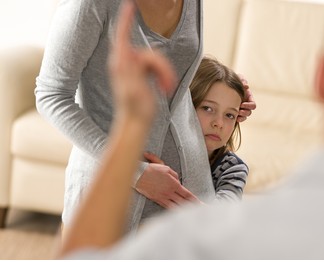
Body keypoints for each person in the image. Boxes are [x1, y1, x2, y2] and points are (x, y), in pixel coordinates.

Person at [60, 0, 324, 259]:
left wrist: (132, 126)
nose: (220, 122)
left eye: (229, 115)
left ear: (322, 78)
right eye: (210, 111)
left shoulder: (226, 238)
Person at [34, 0, 256, 232]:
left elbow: (174, 71)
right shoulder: (91, 5)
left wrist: (227, 86)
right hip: (112, 194)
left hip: (189, 200)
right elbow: (51, 95)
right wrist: (135, 172)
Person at [145, 56, 249, 201]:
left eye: (230, 115)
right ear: (185, 107)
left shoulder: (232, 168)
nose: (219, 123)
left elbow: (221, 218)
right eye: (207, 108)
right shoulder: (158, 148)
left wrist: (172, 185)